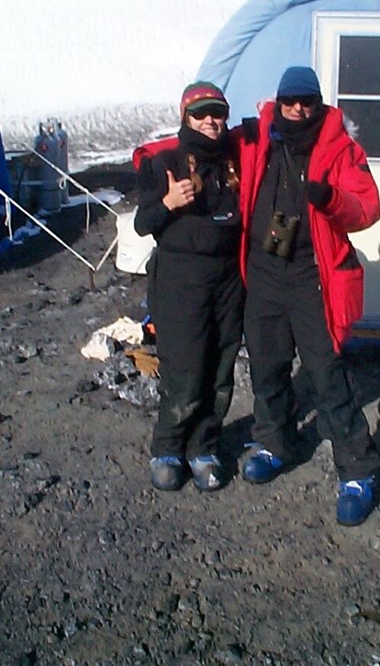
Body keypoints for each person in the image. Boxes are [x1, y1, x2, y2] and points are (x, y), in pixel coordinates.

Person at [238, 66, 380, 525]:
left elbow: (368, 208)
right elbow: (198, 144)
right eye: (291, 100)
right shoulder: (259, 139)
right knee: (267, 365)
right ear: (278, 102)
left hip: (310, 275)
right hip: (263, 272)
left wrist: (332, 200)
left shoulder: (341, 148)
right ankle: (273, 443)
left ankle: (358, 470)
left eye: (307, 101)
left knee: (326, 372)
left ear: (318, 103)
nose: (299, 108)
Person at [133, 82, 242, 493]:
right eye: (201, 114)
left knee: (220, 365)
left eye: (217, 113)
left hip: (228, 279)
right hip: (181, 279)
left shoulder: (234, 161)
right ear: (186, 117)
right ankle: (167, 447)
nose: (211, 121)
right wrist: (168, 204)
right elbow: (143, 224)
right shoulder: (164, 162)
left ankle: (204, 447)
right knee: (184, 367)